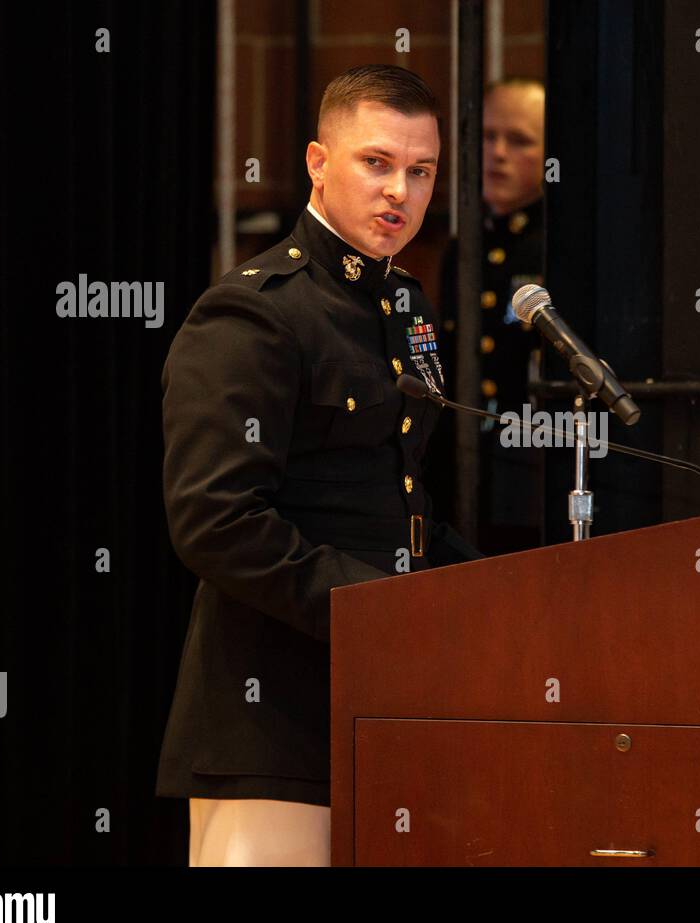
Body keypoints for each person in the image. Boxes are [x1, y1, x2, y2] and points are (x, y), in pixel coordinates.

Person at [156, 65, 480, 866]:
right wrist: (381, 613)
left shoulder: (406, 308)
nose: (399, 190)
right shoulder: (257, 310)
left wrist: (501, 597)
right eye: (376, 162)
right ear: (317, 162)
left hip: (390, 706)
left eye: (421, 170)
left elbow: (400, 501)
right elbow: (216, 522)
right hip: (272, 721)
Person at [436, 78, 546, 554]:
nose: (497, 152)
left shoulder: (558, 247)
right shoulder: (466, 246)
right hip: (466, 465)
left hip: (533, 466)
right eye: (486, 136)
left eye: (519, 140)